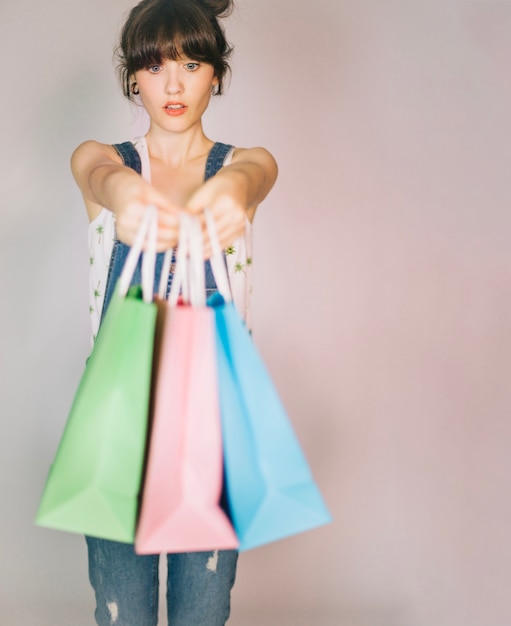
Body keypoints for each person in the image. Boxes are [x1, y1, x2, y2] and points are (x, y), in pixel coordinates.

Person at [70, 0, 278, 624]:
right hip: (117, 433)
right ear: (134, 76)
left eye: (192, 63)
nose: (175, 83)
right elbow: (96, 171)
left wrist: (233, 190)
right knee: (121, 613)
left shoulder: (242, 166)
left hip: (212, 434)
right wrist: (125, 192)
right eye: (157, 66)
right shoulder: (105, 161)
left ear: (217, 74)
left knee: (203, 613)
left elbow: (256, 173)